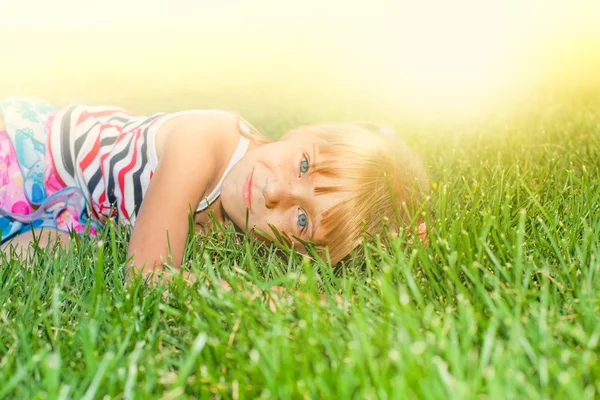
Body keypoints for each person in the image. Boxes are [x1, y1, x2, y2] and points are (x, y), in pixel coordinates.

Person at [0, 98, 429, 278]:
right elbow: (144, 275)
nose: (276, 191)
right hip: (29, 156)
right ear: (305, 133)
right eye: (304, 165)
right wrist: (258, 298)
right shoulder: (204, 141)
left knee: (55, 255)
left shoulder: (240, 226)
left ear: (298, 251)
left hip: (77, 212)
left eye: (301, 219)